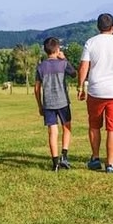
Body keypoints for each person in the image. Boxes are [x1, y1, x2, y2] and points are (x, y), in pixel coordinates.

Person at [77, 13, 113, 174]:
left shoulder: (90, 42)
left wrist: (80, 87)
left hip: (96, 91)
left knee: (94, 126)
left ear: (98, 27)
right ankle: (110, 164)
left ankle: (95, 158)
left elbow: (84, 67)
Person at [34, 36, 77, 171]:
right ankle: (64, 156)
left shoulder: (40, 67)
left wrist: (40, 105)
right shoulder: (63, 64)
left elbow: (36, 88)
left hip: (48, 104)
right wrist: (64, 59)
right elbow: (74, 73)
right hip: (63, 102)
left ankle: (55, 163)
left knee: (53, 132)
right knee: (67, 127)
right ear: (58, 49)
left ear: (45, 50)